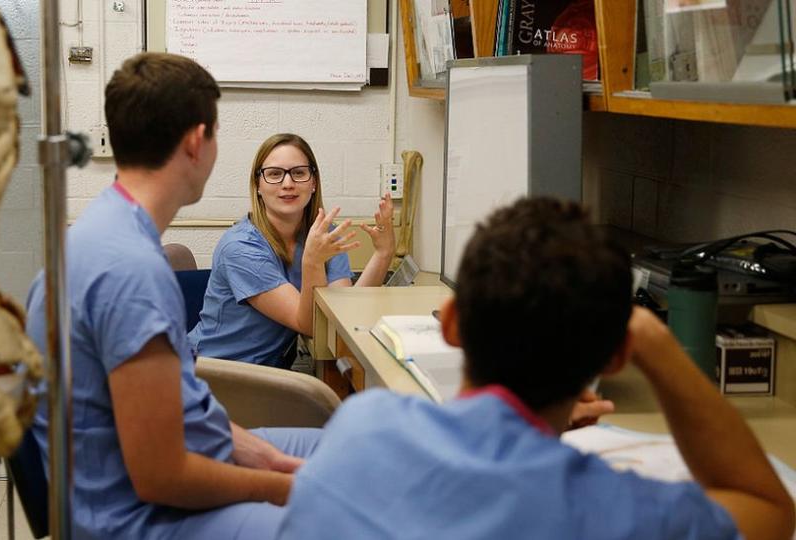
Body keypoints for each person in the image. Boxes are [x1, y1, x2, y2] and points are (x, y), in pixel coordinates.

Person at [278, 197, 795, 540]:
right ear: (614, 355)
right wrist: (657, 342)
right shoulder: (615, 512)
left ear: (451, 323)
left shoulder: (359, 425)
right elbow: (767, 508)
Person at [25, 53, 321, 539]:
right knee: (344, 511)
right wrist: (281, 488)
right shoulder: (131, 270)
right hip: (137, 517)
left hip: (171, 465)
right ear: (196, 142)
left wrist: (266, 457)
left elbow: (182, 411)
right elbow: (163, 477)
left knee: (349, 450)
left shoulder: (108, 227)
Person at [189, 133, 396, 367]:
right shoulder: (240, 248)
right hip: (216, 373)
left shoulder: (322, 234)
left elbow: (343, 313)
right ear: (258, 185)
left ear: (313, 182)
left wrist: (383, 253)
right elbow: (309, 325)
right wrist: (312, 262)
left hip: (268, 371)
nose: (288, 184)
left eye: (298, 173)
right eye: (275, 174)